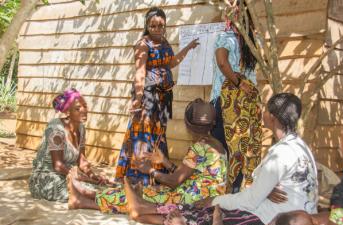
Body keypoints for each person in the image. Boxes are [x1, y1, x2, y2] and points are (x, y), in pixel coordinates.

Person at [121, 93, 318, 225]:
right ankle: (143, 210)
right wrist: (264, 190)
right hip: (290, 213)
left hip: (279, 221)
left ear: (273, 118)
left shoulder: (280, 154)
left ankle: (142, 211)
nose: (262, 113)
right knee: (208, 208)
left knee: (210, 213)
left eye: (265, 110)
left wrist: (216, 200)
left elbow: (250, 200)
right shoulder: (301, 147)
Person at [68, 99, 227, 213]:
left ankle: (83, 202)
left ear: (188, 126)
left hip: (193, 201)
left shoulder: (199, 147)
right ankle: (91, 194)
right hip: (200, 195)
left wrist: (149, 170)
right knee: (146, 190)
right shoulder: (216, 144)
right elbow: (186, 175)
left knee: (143, 196)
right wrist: (164, 162)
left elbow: (173, 182)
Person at [114, 7, 199, 186]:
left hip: (164, 98)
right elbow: (140, 72)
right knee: (143, 134)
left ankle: (156, 175)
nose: (157, 29)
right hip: (148, 97)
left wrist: (188, 48)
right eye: (153, 25)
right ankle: (137, 178)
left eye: (160, 25)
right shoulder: (143, 45)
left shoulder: (165, 43)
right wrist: (138, 99)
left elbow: (172, 62)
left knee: (159, 134)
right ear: (147, 25)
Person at [210, 0, 262, 192]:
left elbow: (222, 63)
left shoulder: (227, 36)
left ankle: (221, 191)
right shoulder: (251, 41)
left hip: (226, 102)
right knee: (243, 147)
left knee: (222, 147)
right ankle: (238, 189)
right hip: (247, 102)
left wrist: (237, 82)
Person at [29, 89, 106, 202]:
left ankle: (114, 198)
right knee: (88, 192)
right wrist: (87, 180)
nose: (84, 110)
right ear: (68, 112)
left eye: (85, 106)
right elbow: (58, 166)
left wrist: (93, 176)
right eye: (77, 108)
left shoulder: (81, 128)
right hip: (48, 178)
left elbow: (82, 161)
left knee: (100, 187)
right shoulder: (56, 129)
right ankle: (111, 200)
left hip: (67, 175)